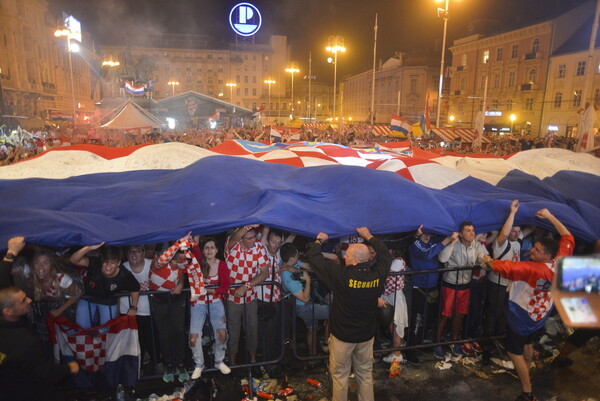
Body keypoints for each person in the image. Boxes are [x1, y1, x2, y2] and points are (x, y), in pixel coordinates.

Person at [482, 208, 574, 401]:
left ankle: (527, 392)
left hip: (522, 315)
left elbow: (506, 267)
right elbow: (567, 236)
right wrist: (550, 216)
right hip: (541, 314)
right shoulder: (560, 260)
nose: (532, 249)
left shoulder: (534, 269)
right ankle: (527, 373)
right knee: (527, 343)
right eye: (535, 246)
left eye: (537, 250)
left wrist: (488, 261)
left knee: (513, 351)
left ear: (548, 255)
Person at [306, 227, 392, 401]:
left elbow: (313, 258)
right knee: (365, 375)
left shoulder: (341, 276)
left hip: (342, 337)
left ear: (354, 261)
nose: (343, 257)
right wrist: (368, 236)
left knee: (340, 376)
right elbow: (385, 254)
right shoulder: (377, 275)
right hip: (366, 337)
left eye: (347, 256)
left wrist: (319, 240)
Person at [0, 286, 79, 401]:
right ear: (8, 311)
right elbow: (47, 374)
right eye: (23, 301)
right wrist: (70, 367)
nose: (29, 300)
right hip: (27, 392)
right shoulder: (26, 342)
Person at [433, 221, 488, 358]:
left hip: (465, 285)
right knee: (446, 315)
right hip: (451, 284)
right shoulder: (455, 245)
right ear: (461, 233)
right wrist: (452, 242)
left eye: (473, 230)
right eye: (468, 230)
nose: (472, 233)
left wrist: (488, 262)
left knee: (460, 314)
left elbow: (484, 259)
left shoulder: (476, 245)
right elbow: (442, 258)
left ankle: (454, 340)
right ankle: (437, 342)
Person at [224, 225, 269, 367]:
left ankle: (253, 360)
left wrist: (246, 286)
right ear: (241, 239)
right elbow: (235, 236)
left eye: (254, 236)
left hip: (250, 297)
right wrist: (249, 225)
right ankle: (232, 363)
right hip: (232, 298)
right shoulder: (232, 246)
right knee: (233, 331)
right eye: (249, 238)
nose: (253, 240)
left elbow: (265, 273)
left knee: (252, 329)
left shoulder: (259, 248)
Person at [408, 226, 457, 353]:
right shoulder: (415, 243)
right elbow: (426, 254)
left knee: (428, 319)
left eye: (429, 233)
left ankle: (422, 345)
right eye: (424, 233)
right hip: (419, 286)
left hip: (432, 286)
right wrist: (447, 240)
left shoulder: (433, 241)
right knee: (417, 320)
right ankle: (411, 349)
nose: (427, 235)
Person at [69, 244, 140, 329]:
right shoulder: (95, 263)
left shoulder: (124, 274)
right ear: (102, 261)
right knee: (81, 327)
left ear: (118, 262)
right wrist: (88, 248)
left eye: (112, 263)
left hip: (108, 301)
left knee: (106, 330)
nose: (108, 266)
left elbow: (135, 288)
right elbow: (73, 260)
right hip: (88, 298)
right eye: (105, 262)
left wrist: (134, 307)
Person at [189, 237, 231, 379]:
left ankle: (219, 361)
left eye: (212, 247)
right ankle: (199, 364)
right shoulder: (198, 263)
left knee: (222, 334)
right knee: (194, 337)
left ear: (217, 250)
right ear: (203, 250)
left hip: (215, 302)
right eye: (206, 247)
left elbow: (225, 288)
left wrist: (209, 291)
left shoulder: (222, 265)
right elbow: (193, 247)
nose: (209, 250)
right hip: (198, 304)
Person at [484, 200, 521, 358]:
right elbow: (504, 234)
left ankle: (499, 336)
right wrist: (512, 213)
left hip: (509, 284)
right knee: (494, 311)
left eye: (518, 231)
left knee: (505, 312)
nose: (515, 234)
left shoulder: (517, 244)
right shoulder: (501, 243)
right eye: (513, 231)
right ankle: (488, 340)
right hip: (497, 282)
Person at [280, 242, 329, 356]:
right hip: (303, 308)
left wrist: (298, 270)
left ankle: (313, 356)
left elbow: (307, 267)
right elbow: (305, 298)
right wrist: (307, 280)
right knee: (335, 312)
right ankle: (327, 342)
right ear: (292, 258)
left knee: (312, 330)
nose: (299, 256)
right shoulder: (287, 277)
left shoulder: (290, 263)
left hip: (306, 305)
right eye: (297, 255)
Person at [118, 245, 157, 368]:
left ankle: (157, 362)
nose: (134, 255)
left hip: (148, 310)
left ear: (144, 253)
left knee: (151, 338)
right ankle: (137, 367)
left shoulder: (152, 265)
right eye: (131, 251)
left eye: (138, 251)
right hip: (127, 310)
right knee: (134, 341)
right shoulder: (122, 267)